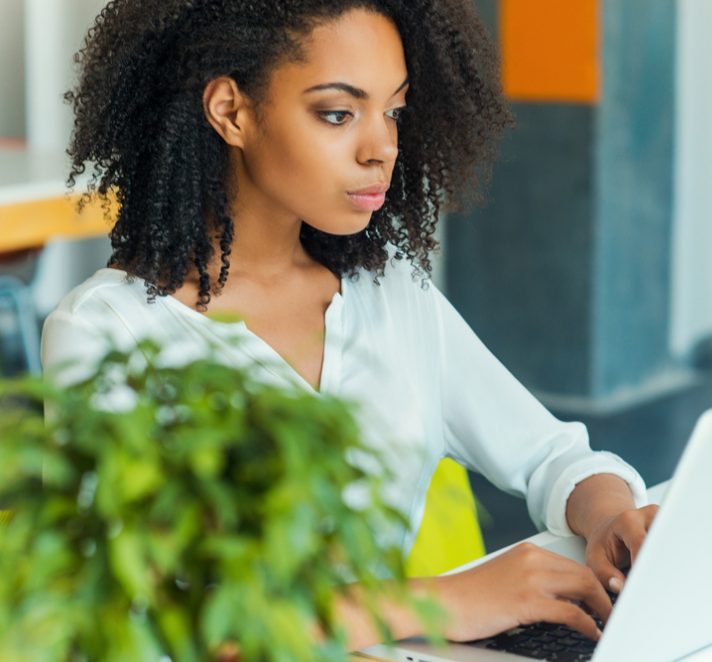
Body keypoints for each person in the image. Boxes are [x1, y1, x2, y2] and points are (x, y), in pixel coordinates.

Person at [42, 0, 658, 650]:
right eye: (337, 113)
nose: (382, 148)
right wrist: (442, 603)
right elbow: (150, 618)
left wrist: (611, 516)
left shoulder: (389, 291)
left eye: (392, 111)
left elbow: (549, 455)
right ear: (231, 111)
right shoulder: (105, 332)